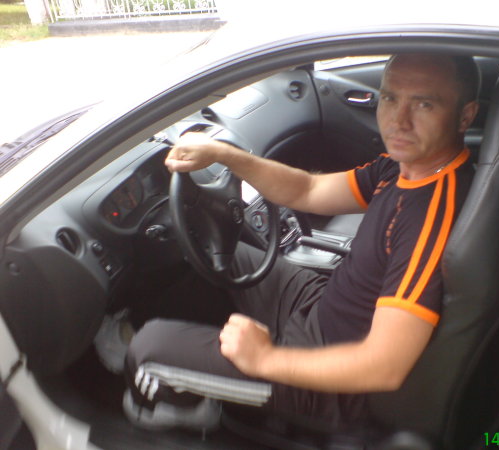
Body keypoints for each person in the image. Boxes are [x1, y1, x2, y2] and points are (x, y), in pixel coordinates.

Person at [121, 52, 480, 432]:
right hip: (322, 306)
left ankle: (181, 409)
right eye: (390, 98)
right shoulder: (403, 166)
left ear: (466, 116)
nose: (399, 120)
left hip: (332, 382)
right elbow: (307, 190)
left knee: (147, 350)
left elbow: (384, 367)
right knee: (216, 251)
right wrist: (224, 155)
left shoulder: (430, 215)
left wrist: (263, 359)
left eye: (424, 104)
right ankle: (195, 365)